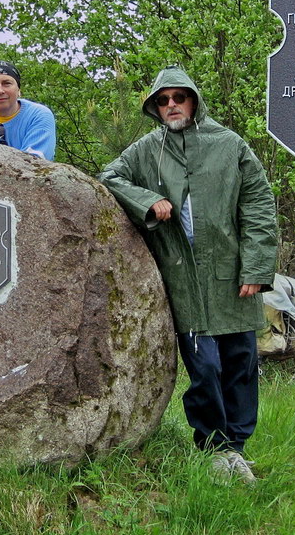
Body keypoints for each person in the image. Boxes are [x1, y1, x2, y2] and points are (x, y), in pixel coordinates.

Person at [99, 65, 277, 485]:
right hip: (183, 277)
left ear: (194, 100)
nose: (171, 105)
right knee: (206, 366)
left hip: (232, 274)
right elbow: (110, 176)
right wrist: (149, 199)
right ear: (154, 107)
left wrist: (256, 268)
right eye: (162, 100)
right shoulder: (147, 149)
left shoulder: (229, 143)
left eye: (179, 97)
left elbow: (258, 206)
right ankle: (214, 449)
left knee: (241, 362)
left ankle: (237, 447)